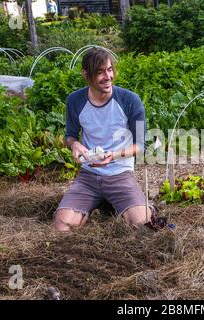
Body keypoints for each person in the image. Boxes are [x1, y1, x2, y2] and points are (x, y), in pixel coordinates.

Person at [54, 47, 152, 232]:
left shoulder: (130, 100)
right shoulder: (75, 101)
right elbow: (70, 136)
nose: (108, 76)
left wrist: (113, 156)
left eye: (109, 69)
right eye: (99, 72)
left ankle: (114, 204)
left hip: (120, 174)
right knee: (62, 226)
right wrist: (74, 145)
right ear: (86, 74)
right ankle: (100, 204)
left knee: (143, 226)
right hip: (88, 177)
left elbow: (140, 145)